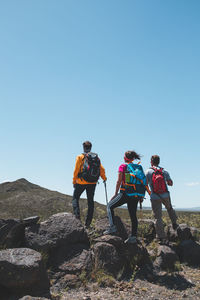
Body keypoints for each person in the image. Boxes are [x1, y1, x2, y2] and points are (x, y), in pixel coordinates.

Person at [104, 150, 147, 244]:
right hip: (135, 194)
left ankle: (112, 227)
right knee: (133, 215)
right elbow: (142, 182)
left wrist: (115, 193)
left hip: (125, 193)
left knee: (109, 206)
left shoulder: (123, 166)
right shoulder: (138, 167)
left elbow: (119, 181)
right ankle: (133, 237)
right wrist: (140, 196)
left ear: (125, 158)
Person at [145, 155, 179, 244]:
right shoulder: (164, 171)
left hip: (154, 196)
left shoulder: (148, 171)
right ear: (159, 161)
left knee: (158, 217)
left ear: (151, 161)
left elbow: (145, 184)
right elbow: (170, 183)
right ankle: (174, 223)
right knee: (170, 208)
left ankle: (161, 237)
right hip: (165, 195)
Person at [72, 141, 107, 228]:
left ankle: (77, 219)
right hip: (93, 182)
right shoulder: (96, 158)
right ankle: (88, 223)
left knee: (75, 198)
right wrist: (104, 178)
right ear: (90, 148)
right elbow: (101, 168)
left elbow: (76, 169)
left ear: (83, 147)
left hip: (81, 181)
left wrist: (74, 181)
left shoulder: (80, 157)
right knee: (90, 201)